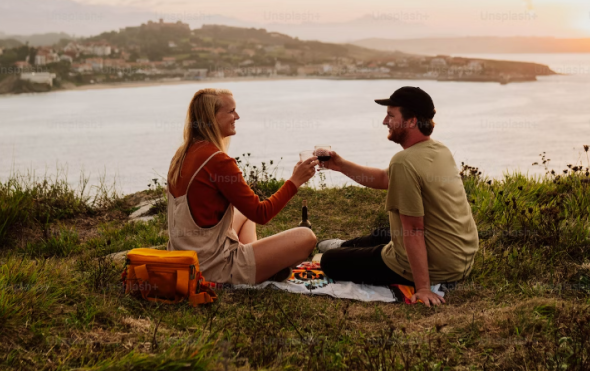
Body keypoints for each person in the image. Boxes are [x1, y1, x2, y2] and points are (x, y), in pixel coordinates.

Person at [317, 86, 479, 307]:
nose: (385, 121)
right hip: (459, 257)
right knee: (382, 234)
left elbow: (413, 229)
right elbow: (386, 178)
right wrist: (340, 165)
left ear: (411, 121)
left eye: (391, 115)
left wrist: (422, 288)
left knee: (330, 262)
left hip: (439, 266)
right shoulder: (439, 150)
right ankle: (345, 245)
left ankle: (341, 251)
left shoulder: (404, 161)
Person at [166, 88, 319, 284]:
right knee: (306, 237)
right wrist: (295, 181)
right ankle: (254, 271)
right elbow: (261, 213)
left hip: (184, 261)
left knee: (244, 213)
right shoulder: (218, 161)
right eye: (231, 111)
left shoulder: (182, 154)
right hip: (212, 269)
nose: (237, 116)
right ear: (212, 118)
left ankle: (260, 267)